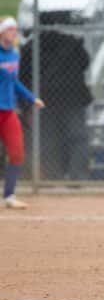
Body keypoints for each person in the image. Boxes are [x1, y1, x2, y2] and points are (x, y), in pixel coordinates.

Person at [19, 12, 92, 181]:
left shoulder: (32, 46)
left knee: (50, 141)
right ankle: (77, 178)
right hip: (70, 98)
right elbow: (85, 63)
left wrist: (26, 105)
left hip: (47, 99)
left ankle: (53, 178)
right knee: (76, 138)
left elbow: (23, 78)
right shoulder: (72, 43)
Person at [0, 17, 44, 209]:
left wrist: (31, 98)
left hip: (8, 111)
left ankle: (8, 196)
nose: (14, 32)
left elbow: (14, 82)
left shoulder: (14, 55)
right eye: (10, 29)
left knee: (17, 152)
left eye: (15, 30)